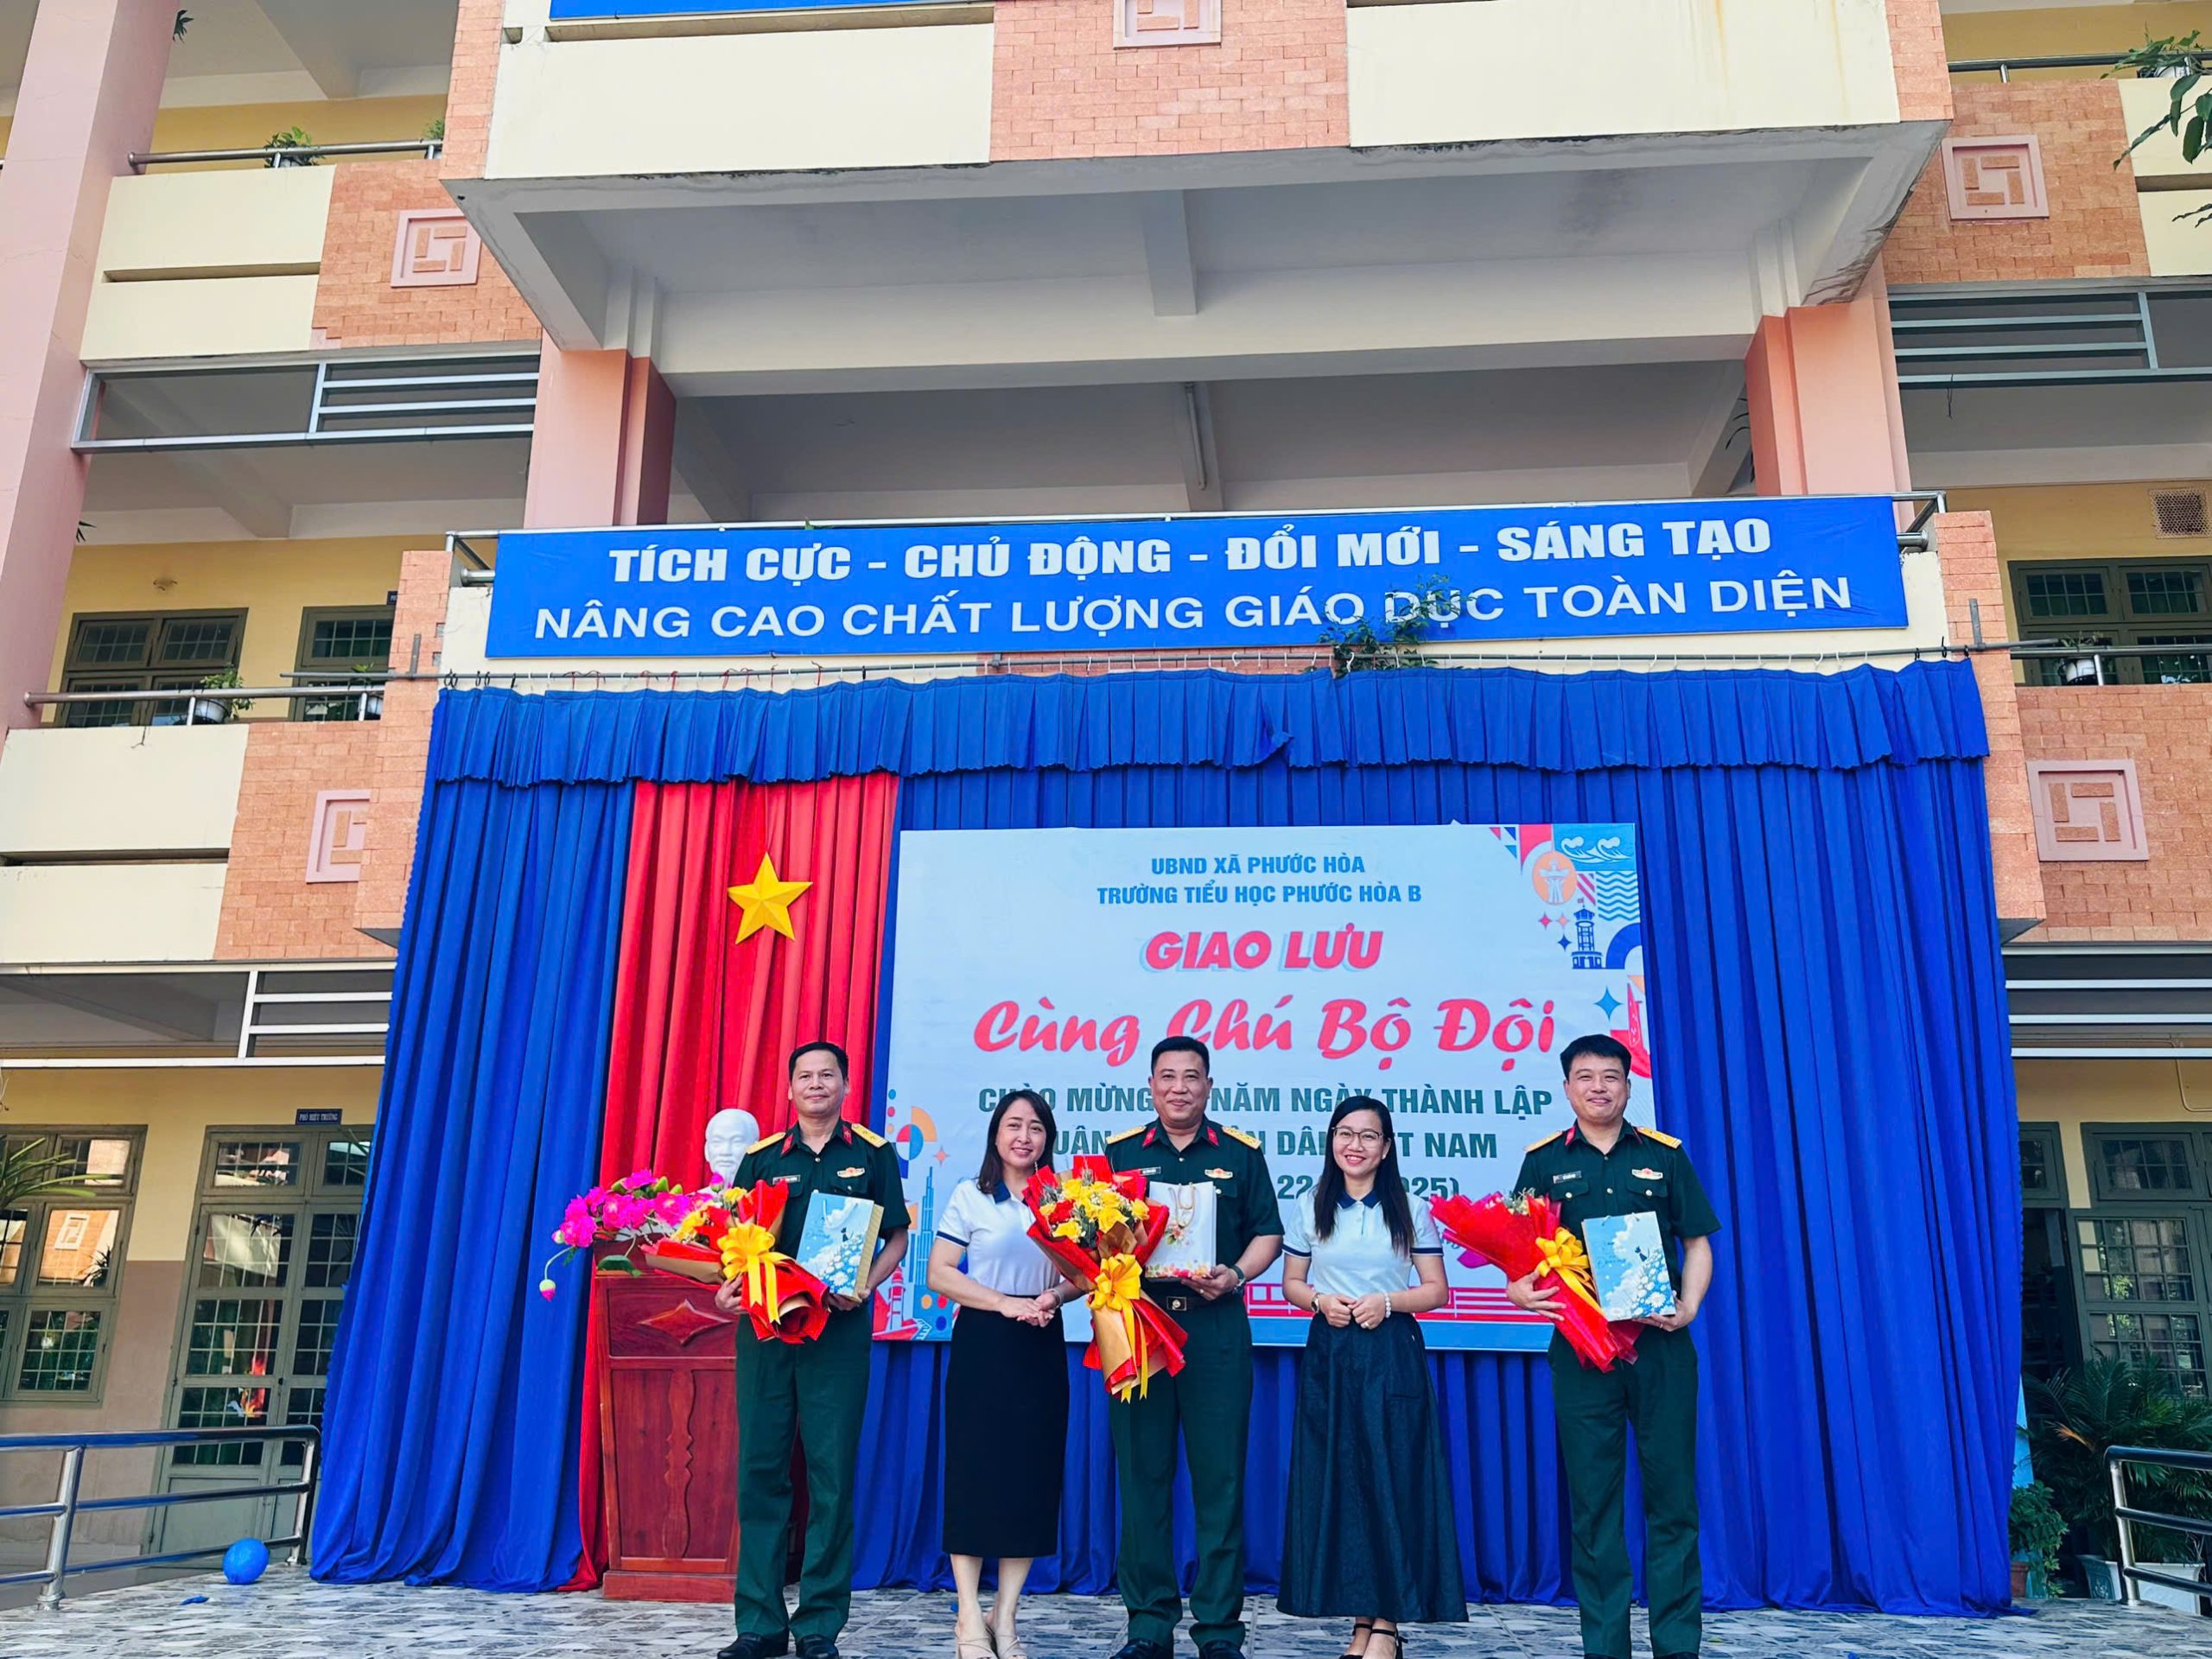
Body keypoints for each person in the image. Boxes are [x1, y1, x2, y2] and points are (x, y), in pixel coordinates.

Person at [1509, 1035, 1720, 1659]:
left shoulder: (1664, 1156)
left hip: (1660, 1349)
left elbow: (1698, 1242)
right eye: (1585, 1077)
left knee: (1673, 1502)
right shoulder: (1543, 1162)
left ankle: (1677, 1646)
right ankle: (1605, 1648)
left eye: (1610, 1076)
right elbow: (1518, 1253)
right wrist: (1520, 1291)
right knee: (1595, 1506)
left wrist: (1689, 1307)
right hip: (1582, 1353)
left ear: (1628, 1087)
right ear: (1567, 1088)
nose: (1598, 1087)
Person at [713, 1041, 910, 1659]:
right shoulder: (761, 1159)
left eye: (828, 1075)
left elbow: (898, 1237)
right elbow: (734, 1242)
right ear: (790, 1088)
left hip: (837, 1333)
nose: (817, 1084)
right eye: (805, 1075)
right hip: (767, 1333)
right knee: (761, 1472)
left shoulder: (873, 1154)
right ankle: (759, 1624)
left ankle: (819, 1624)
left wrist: (866, 1284)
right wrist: (728, 1286)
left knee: (831, 1476)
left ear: (846, 1086)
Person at [1103, 1035, 1284, 1659]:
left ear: (1209, 1085)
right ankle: (1148, 1626)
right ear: (1151, 1086)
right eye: (1167, 1076)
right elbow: (1094, 1238)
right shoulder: (1121, 1154)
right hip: (1140, 1326)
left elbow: (1267, 1235)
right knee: (1142, 1478)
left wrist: (1235, 1274)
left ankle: (1219, 1630)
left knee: (1220, 1482)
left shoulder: (1240, 1154)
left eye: (1191, 1077)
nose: (1179, 1088)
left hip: (1215, 1330)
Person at [1280, 1096, 1465, 1659]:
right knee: (1345, 1486)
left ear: (1386, 1148)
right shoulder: (1310, 1204)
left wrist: (1388, 1302)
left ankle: (1386, 1624)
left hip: (1390, 1354)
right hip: (1331, 1355)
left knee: (1393, 1480)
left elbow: (1436, 1290)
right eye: (1344, 1133)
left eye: (1368, 1136)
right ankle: (1363, 1624)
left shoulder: (1410, 1208)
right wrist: (1319, 1301)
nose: (1354, 1145)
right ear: (1331, 1140)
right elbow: (1292, 1283)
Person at [926, 1090, 1078, 1659]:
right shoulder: (972, 1195)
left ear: (1047, 1139)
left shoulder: (1064, 1200)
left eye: (1035, 1128)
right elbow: (941, 1273)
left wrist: (1052, 1296)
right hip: (983, 1342)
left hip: (1040, 1340)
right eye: (1013, 1125)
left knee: (1029, 1480)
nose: (1024, 1137)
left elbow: (1086, 1274)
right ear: (996, 1134)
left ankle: (1006, 1616)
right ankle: (968, 1615)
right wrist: (1002, 1303)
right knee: (974, 1476)